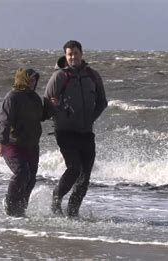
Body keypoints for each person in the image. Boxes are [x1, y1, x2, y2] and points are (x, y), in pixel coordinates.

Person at [44, 40, 108, 218]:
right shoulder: (59, 77)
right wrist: (58, 111)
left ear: (82, 54)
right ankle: (56, 199)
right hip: (65, 132)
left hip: (86, 133)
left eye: (76, 53)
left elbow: (103, 102)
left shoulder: (93, 75)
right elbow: (47, 102)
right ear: (65, 56)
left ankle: (73, 213)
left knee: (85, 176)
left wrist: (90, 118)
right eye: (69, 54)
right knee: (74, 168)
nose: (73, 57)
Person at [0, 68, 53, 217]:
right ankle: (9, 203)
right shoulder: (12, 97)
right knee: (22, 173)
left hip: (32, 145)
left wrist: (51, 105)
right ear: (23, 80)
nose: (33, 83)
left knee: (31, 178)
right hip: (13, 144)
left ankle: (20, 209)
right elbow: (5, 120)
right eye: (31, 80)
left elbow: (42, 116)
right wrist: (2, 142)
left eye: (35, 80)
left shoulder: (34, 97)